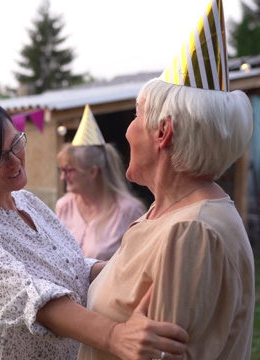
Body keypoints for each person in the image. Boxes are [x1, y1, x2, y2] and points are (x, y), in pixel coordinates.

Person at [0, 71, 188, 360]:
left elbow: (73, 266)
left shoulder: (27, 201)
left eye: (16, 143)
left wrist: (133, 267)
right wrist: (113, 335)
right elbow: (25, 295)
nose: (15, 161)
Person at [78, 1, 255, 359]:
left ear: (163, 132)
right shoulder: (166, 214)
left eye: (136, 115)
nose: (127, 130)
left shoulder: (192, 232)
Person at [56, 105, 145, 260]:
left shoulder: (128, 211)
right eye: (61, 170)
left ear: (92, 172)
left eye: (69, 170)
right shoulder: (64, 206)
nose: (63, 178)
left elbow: (139, 264)